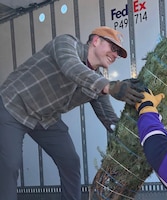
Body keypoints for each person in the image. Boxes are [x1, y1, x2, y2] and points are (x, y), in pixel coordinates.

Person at [0, 26, 144, 200]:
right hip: (13, 106)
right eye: (113, 49)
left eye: (118, 54)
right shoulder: (66, 44)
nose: (115, 55)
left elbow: (110, 120)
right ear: (96, 41)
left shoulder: (97, 81)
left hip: (45, 119)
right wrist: (109, 86)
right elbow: (72, 68)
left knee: (71, 163)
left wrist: (134, 137)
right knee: (10, 164)